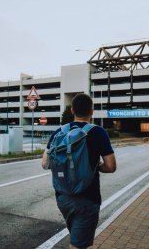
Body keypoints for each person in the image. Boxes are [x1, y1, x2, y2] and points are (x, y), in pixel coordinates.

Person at [42, 93, 116, 249]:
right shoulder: (98, 132)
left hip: (62, 197)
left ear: (72, 110)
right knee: (77, 245)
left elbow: (44, 163)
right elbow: (110, 166)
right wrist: (95, 165)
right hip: (87, 198)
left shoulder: (59, 132)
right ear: (92, 111)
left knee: (77, 237)